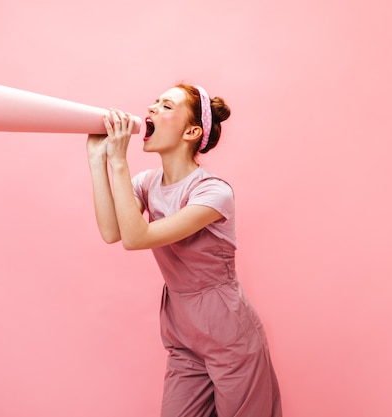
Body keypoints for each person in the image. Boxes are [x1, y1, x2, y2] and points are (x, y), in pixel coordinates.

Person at [86, 84, 282, 417]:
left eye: (165, 105)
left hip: (230, 334)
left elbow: (138, 238)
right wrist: (97, 161)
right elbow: (112, 232)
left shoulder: (213, 192)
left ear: (191, 131)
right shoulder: (147, 183)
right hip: (182, 334)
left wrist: (119, 163)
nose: (151, 107)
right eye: (155, 102)